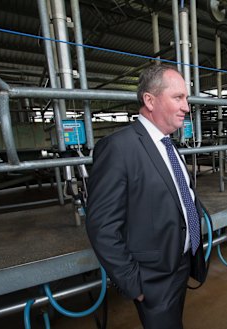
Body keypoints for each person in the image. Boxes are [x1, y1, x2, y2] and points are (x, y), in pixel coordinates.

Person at [86, 64, 206, 329]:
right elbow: (102, 227)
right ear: (149, 100)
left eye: (186, 98)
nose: (187, 107)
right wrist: (134, 284)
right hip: (153, 280)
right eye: (178, 98)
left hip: (180, 264)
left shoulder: (169, 144)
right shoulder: (118, 148)